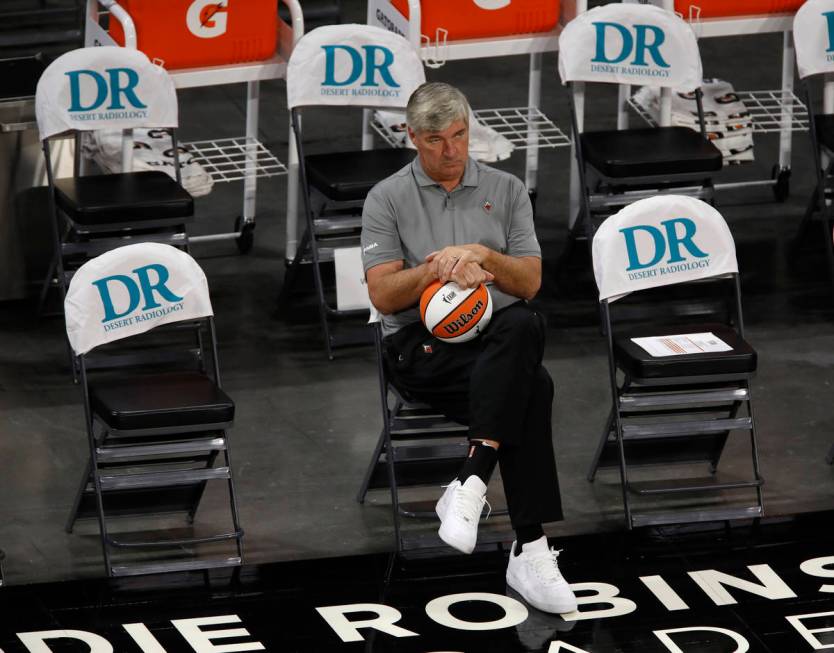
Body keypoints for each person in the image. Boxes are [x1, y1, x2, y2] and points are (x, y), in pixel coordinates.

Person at [361, 82, 577, 615]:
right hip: (422, 349)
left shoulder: (504, 190)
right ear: (412, 137)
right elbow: (383, 294)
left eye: (459, 135)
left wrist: (485, 256)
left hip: (493, 340)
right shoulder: (386, 197)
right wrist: (434, 269)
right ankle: (529, 546)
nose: (452, 150)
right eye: (436, 140)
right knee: (533, 385)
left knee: (524, 324)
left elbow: (529, 281)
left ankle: (472, 482)